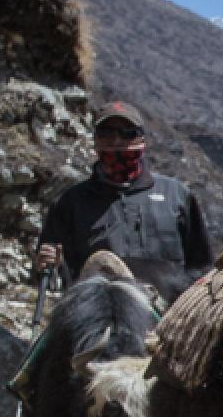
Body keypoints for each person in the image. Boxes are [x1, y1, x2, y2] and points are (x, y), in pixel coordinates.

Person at [36, 101, 213, 302]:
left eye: (127, 133)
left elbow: (202, 267)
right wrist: (48, 264)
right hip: (97, 317)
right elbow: (54, 277)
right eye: (107, 133)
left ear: (142, 140)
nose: (117, 141)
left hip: (168, 317)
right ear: (95, 140)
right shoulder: (70, 203)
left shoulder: (177, 196)